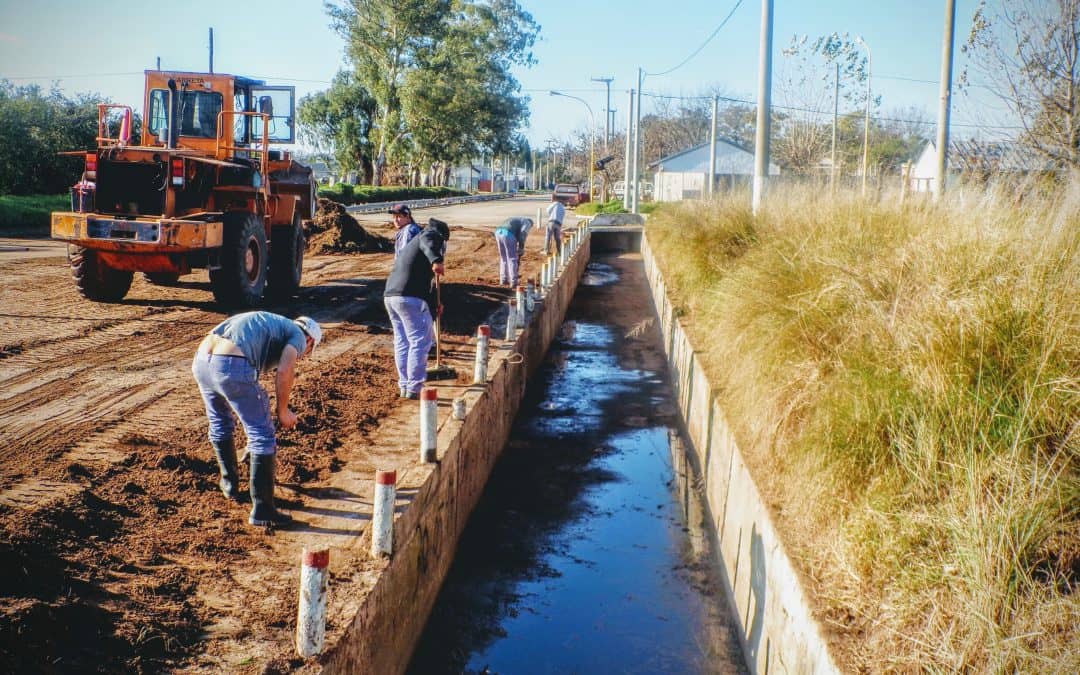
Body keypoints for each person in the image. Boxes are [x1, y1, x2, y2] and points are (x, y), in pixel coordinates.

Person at [191, 311, 322, 527]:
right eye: (307, 351)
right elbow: (285, 370)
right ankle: (263, 510)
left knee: (220, 424)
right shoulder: (298, 336)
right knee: (263, 435)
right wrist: (283, 411)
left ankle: (230, 486)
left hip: (202, 360)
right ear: (310, 340)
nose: (303, 354)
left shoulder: (272, 324)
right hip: (230, 363)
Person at [384, 218, 449, 399]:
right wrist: (437, 260)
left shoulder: (413, 249)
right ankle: (414, 387)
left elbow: (421, 281)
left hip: (391, 296)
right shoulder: (430, 234)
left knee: (403, 341)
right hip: (409, 297)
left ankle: (405, 385)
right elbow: (429, 240)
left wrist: (434, 304)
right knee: (420, 341)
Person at [493, 216, 533, 287]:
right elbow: (522, 235)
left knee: (503, 258)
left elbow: (518, 235)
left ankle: (503, 280)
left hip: (498, 232)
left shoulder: (518, 220)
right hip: (508, 234)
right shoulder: (527, 223)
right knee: (512, 259)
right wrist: (521, 248)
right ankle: (514, 282)